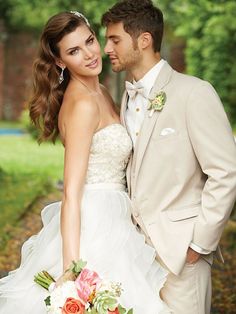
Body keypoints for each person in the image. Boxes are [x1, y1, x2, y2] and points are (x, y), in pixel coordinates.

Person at [0, 11, 171, 314]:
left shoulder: (101, 91)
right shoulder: (81, 104)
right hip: (96, 223)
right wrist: (70, 272)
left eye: (89, 41)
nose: (90, 54)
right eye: (74, 51)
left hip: (118, 216)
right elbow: (70, 193)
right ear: (60, 62)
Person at [102, 0, 236, 313]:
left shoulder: (195, 93)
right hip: (134, 255)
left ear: (144, 40)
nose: (107, 48)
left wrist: (198, 245)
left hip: (181, 255)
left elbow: (226, 171)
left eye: (115, 39)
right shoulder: (126, 96)